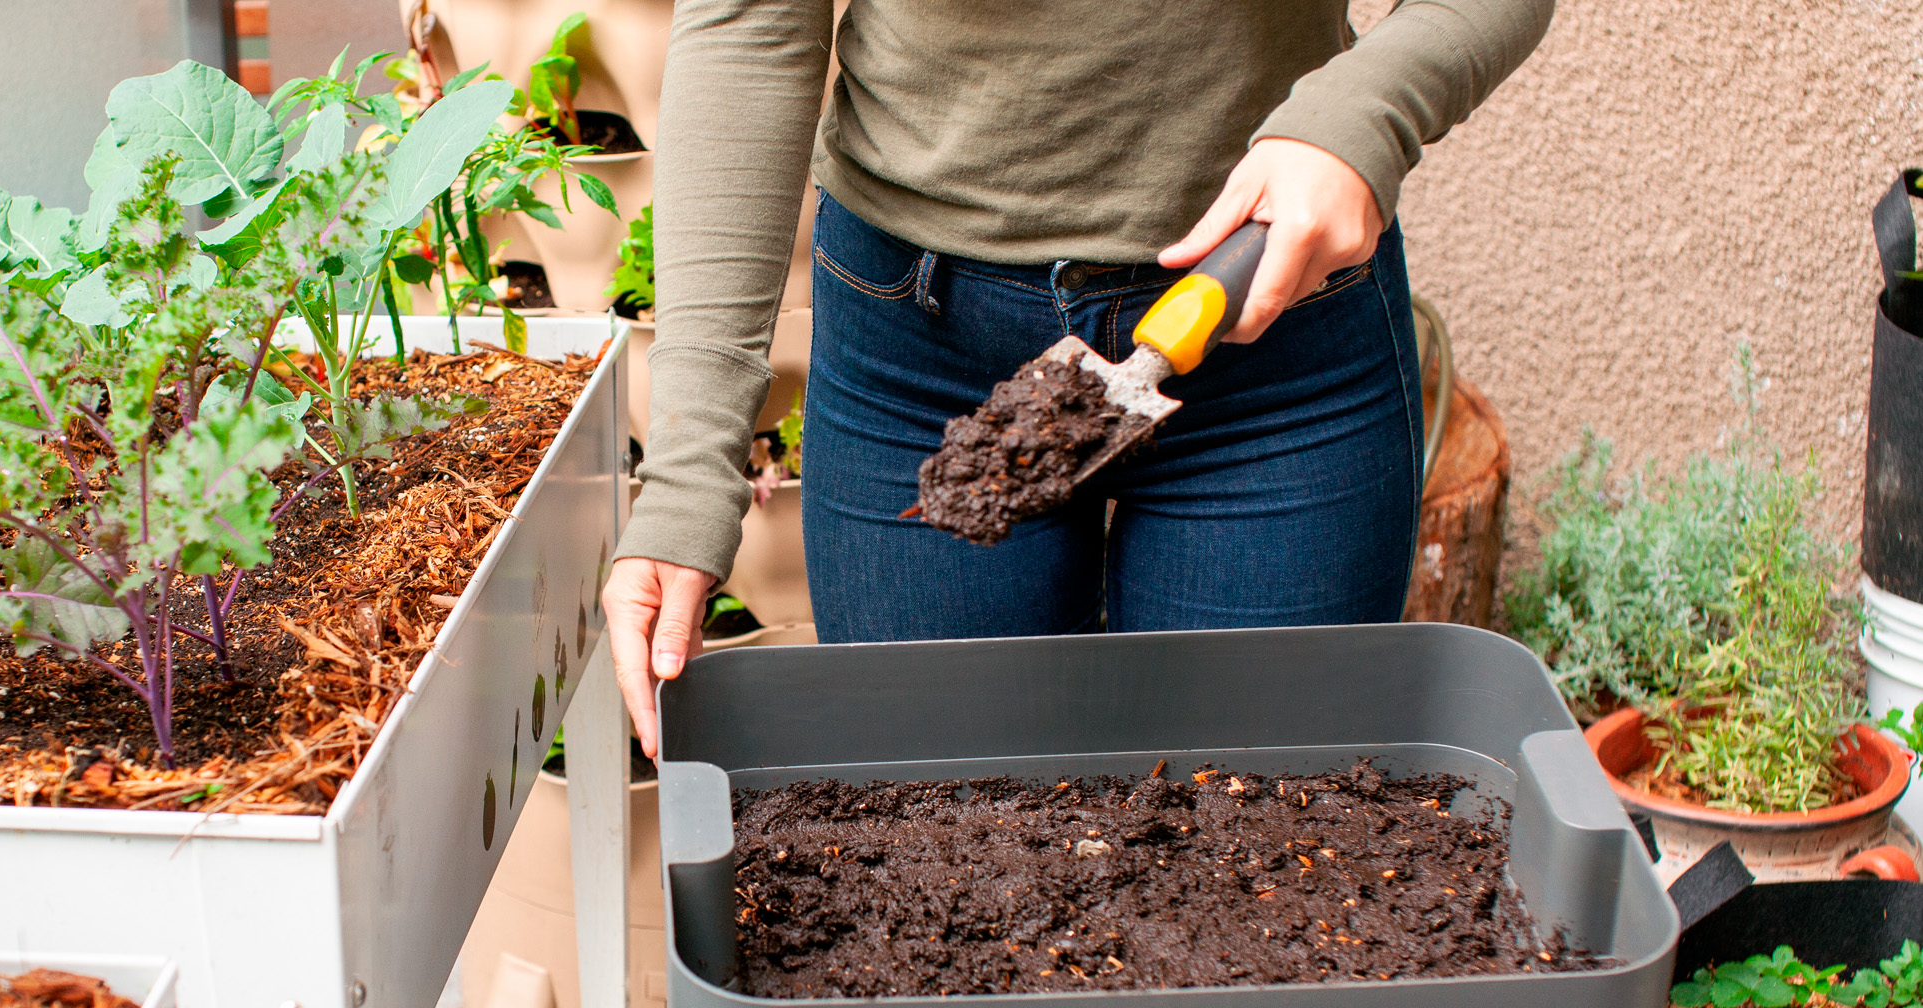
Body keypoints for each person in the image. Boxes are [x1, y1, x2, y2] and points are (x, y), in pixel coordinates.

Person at [603, 0, 1553, 755]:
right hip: (921, 358)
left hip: (1271, 345)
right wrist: (691, 469)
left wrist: (1362, 115)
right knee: (950, 869)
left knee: (1251, 884)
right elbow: (751, 23)